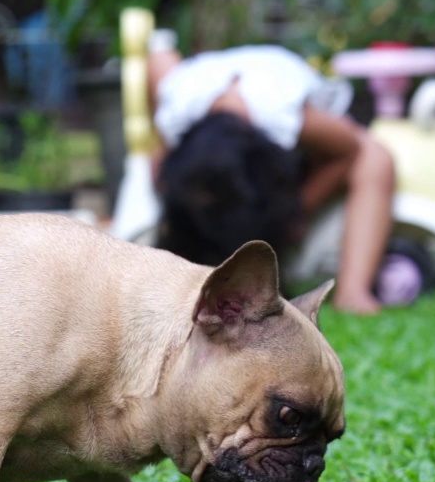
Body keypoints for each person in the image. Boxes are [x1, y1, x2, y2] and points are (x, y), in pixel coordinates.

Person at [147, 33, 395, 315]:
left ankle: (354, 292)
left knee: (376, 157)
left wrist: (298, 211)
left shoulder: (289, 119)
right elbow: (158, 62)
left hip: (304, 125)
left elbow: (348, 151)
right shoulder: (175, 113)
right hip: (211, 85)